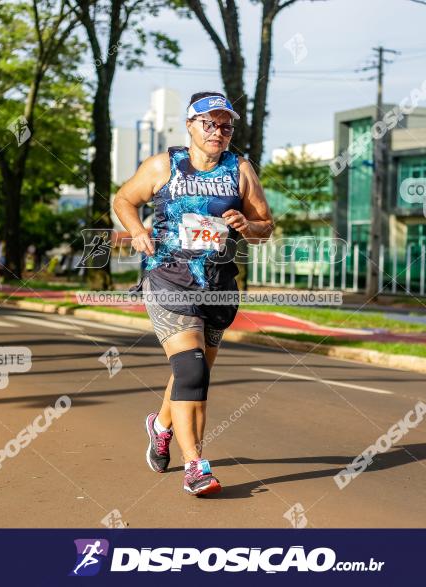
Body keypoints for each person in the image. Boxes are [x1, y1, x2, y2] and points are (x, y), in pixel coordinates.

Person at [113, 92, 273, 496]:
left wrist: (246, 225)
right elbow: (124, 199)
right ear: (190, 125)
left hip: (218, 285)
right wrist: (136, 230)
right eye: (209, 123)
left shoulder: (240, 169)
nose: (218, 131)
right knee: (192, 372)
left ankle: (161, 426)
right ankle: (195, 467)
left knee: (193, 372)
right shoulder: (163, 165)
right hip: (168, 279)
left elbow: (265, 226)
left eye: (226, 125)